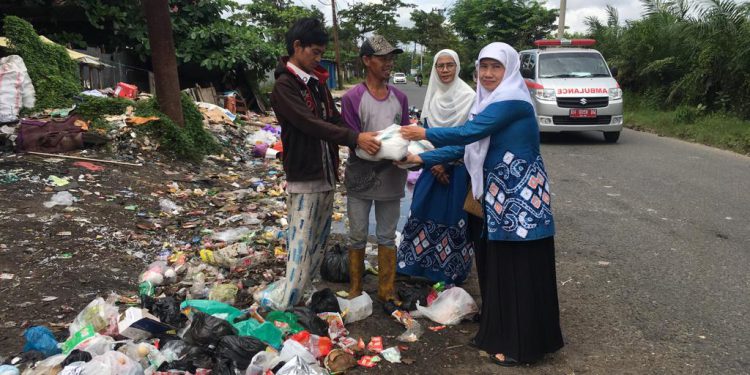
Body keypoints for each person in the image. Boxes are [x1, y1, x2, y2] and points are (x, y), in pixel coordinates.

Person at [399, 42, 564, 365]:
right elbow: (470, 147)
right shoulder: (487, 101)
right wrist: (419, 159)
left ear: (510, 69)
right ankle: (496, 334)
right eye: (483, 67)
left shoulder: (513, 101)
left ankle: (522, 347)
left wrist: (425, 132)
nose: (488, 74)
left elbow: (469, 132)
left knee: (520, 270)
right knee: (498, 269)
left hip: (520, 202)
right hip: (498, 199)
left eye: (495, 67)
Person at [270, 18, 380, 310]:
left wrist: (363, 132)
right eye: (315, 52)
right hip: (304, 174)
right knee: (300, 244)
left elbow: (332, 118)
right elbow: (310, 124)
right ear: (297, 47)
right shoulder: (285, 85)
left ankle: (305, 294)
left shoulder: (315, 83)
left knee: (318, 242)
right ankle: (287, 303)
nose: (319, 58)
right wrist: (355, 138)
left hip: (326, 172)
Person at [396, 49, 476, 285]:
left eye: (449, 65)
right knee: (421, 209)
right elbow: (423, 132)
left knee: (453, 217)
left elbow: (469, 137)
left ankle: (449, 272)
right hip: (431, 166)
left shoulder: (469, 97)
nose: (444, 70)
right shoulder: (432, 95)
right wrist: (433, 161)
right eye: (440, 66)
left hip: (458, 170)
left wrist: (444, 162)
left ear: (457, 66)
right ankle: (415, 266)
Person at [340, 34, 410, 302]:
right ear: (367, 60)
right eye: (382, 58)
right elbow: (353, 139)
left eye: (391, 58)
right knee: (357, 234)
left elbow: (403, 134)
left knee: (386, 235)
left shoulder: (400, 98)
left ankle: (386, 290)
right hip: (360, 175)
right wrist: (378, 145)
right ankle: (356, 287)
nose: (388, 63)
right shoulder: (352, 98)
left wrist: (404, 152)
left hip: (391, 176)